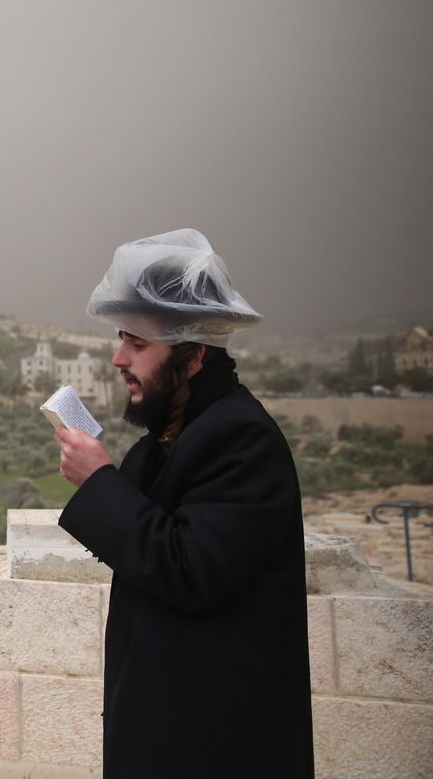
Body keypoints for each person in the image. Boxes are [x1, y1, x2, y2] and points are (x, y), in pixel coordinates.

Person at [53, 229, 313, 778]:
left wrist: (99, 479)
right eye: (123, 339)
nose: (119, 359)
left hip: (217, 738)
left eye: (139, 345)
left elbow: (190, 570)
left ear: (193, 355)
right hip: (167, 723)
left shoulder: (242, 438)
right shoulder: (171, 434)